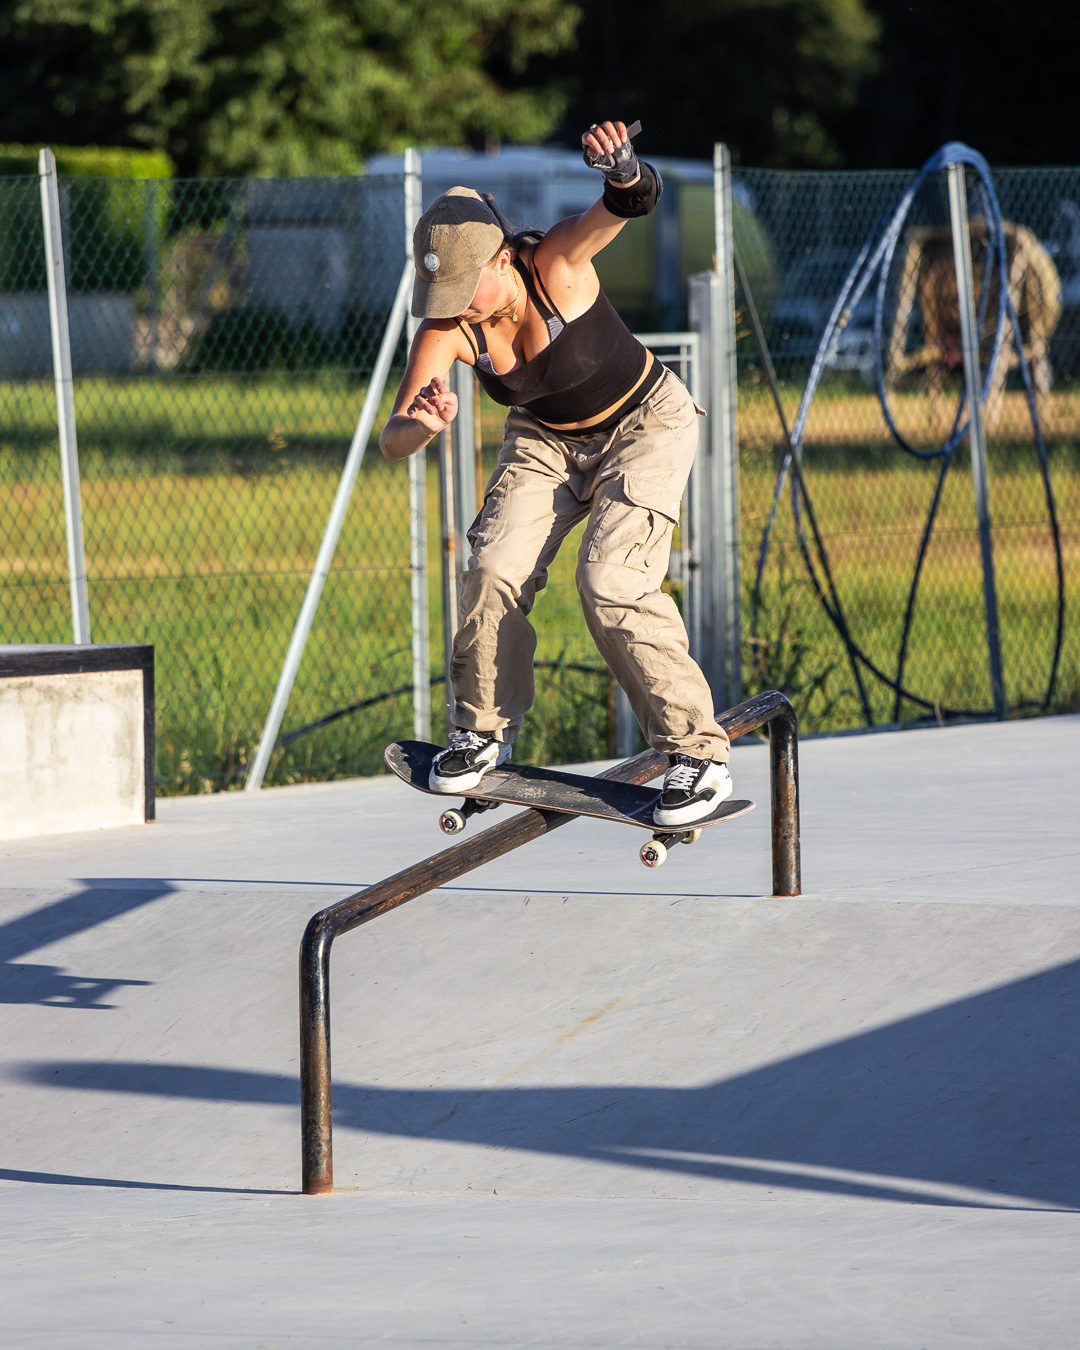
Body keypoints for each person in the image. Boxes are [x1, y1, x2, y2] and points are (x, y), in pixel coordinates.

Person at [379, 119, 733, 827]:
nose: (452, 308)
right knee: (493, 568)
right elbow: (394, 438)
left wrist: (622, 166)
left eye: (462, 289)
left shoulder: (557, 264)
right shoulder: (445, 329)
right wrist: (422, 423)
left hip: (645, 424)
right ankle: (481, 730)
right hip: (545, 440)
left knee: (611, 581)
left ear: (502, 258)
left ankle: (696, 754)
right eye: (440, 296)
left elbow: (628, 203)